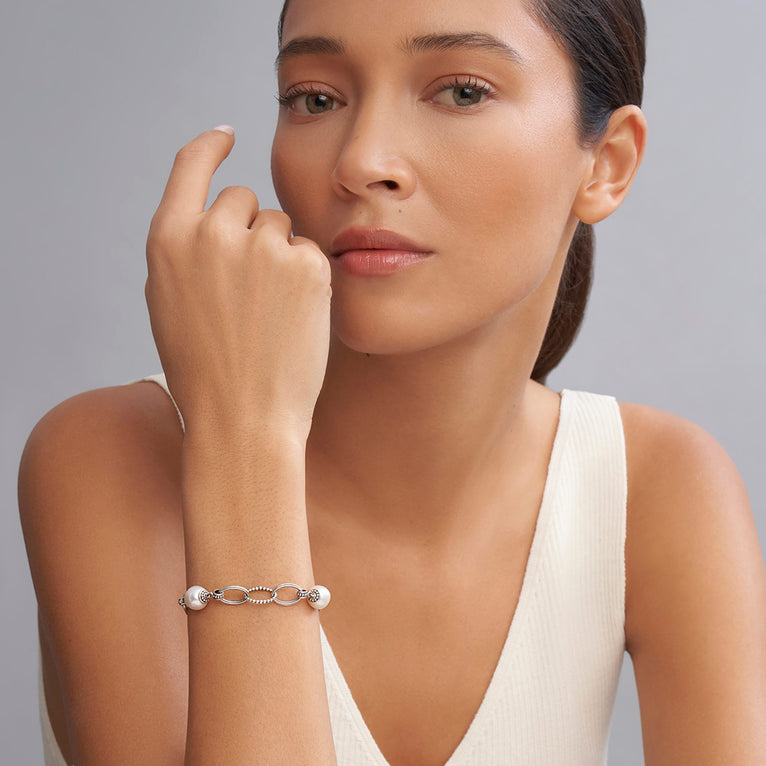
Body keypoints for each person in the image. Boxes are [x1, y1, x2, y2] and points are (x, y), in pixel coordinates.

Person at [18, 0, 766, 763]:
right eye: (316, 99)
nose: (360, 159)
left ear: (606, 164)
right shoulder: (111, 458)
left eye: (463, 91)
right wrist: (245, 437)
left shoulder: (659, 490)